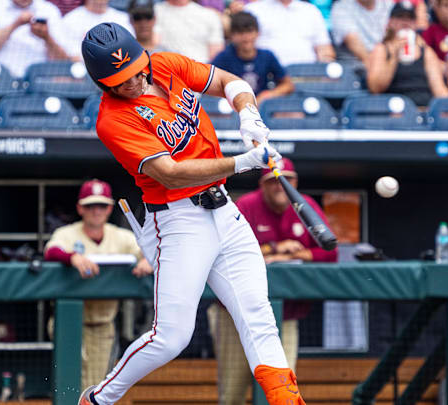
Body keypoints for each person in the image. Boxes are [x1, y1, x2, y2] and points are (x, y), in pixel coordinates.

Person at [76, 22, 304, 405]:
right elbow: (170, 173)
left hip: (224, 210)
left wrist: (249, 115)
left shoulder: (165, 64)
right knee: (172, 337)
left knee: (258, 314)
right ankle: (98, 399)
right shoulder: (112, 120)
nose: (131, 82)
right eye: (119, 80)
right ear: (103, 83)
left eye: (134, 71)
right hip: (179, 220)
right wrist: (242, 162)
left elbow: (229, 82)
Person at [207, 158, 338, 405]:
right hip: (236, 315)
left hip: (284, 316)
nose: (281, 185)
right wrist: (275, 248)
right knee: (233, 390)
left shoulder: (305, 205)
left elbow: (330, 252)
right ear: (262, 184)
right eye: (274, 180)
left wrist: (287, 254)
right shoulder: (246, 205)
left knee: (283, 388)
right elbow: (221, 250)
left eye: (287, 179)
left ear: (295, 183)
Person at [44, 179, 153, 389]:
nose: (96, 211)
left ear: (110, 208)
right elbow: (51, 251)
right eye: (90, 205)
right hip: (69, 322)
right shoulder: (67, 234)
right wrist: (73, 257)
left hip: (103, 324)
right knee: (69, 384)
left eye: (101, 205)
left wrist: (147, 259)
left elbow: (150, 253)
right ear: (80, 208)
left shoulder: (121, 236)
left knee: (93, 387)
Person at [366, 2, 448, 108]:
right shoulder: (381, 49)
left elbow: (439, 89)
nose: (405, 22)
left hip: (424, 108)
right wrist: (394, 56)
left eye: (410, 18)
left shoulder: (426, 51)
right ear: (390, 22)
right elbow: (375, 88)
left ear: (415, 24)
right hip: (395, 108)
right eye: (400, 17)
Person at [210, 12, 294, 105]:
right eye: (240, 33)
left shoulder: (267, 56)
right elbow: (208, 82)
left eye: (249, 31)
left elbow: (288, 85)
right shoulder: (224, 57)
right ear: (232, 36)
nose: (246, 37)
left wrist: (267, 95)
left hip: (261, 109)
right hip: (232, 108)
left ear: (258, 33)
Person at [0, 0, 69, 77]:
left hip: (40, 84)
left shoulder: (49, 10)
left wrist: (47, 38)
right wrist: (15, 25)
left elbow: (64, 62)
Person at [245, 0, 335, 66]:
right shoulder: (252, 10)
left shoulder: (311, 10)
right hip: (266, 76)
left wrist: (325, 67)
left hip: (307, 76)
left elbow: (324, 49)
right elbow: (242, 48)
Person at [153, 0, 225, 63]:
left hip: (202, 72)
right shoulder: (152, 14)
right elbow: (152, 46)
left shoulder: (209, 15)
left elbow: (216, 55)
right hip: (166, 71)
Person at [60, 0, 133, 61]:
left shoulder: (123, 18)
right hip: (79, 71)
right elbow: (66, 54)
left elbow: (130, 49)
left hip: (117, 68)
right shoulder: (70, 19)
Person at [330, 0, 392, 65]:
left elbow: (395, 36)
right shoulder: (341, 7)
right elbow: (355, 45)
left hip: (387, 57)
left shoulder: (388, 3)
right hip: (358, 62)